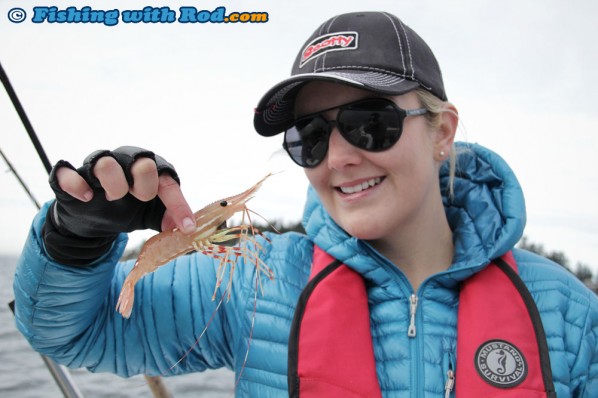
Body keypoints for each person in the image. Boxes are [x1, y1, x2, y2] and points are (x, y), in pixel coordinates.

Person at [13, 11, 598, 398]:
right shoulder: (253, 280)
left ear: (442, 130)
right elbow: (74, 335)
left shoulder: (568, 315)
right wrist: (76, 239)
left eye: (370, 123)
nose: (337, 157)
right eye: (309, 137)